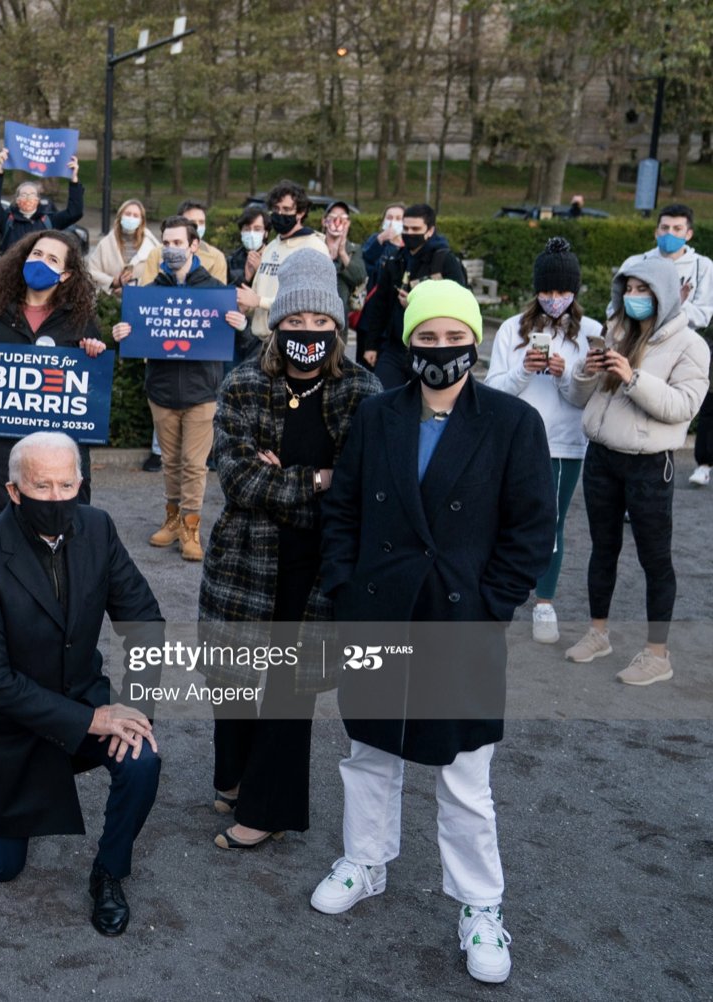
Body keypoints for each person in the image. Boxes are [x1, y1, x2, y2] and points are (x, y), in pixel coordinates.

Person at [312, 279, 555, 986]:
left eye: (454, 337)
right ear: (406, 341)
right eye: (427, 336)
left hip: (461, 618)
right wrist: (343, 588)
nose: (441, 350)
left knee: (465, 772)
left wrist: (492, 605)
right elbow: (345, 511)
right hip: (380, 610)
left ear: (475, 342)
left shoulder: (513, 423)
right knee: (369, 751)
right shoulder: (377, 415)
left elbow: (532, 528)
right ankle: (366, 861)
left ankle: (481, 905)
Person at [0, 432, 164, 936]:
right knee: (1, 864)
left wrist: (135, 709)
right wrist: (92, 719)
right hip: (11, 729)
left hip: (80, 700)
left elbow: (145, 621)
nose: (55, 497)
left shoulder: (99, 529)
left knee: (143, 758)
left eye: (66, 484)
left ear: (81, 482)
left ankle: (108, 873)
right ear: (13, 490)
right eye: (41, 486)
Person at [199, 249, 381, 851]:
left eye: (320, 323)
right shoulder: (246, 381)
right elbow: (238, 480)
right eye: (296, 322)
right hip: (245, 559)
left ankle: (267, 809)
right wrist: (318, 479)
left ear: (337, 326)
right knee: (230, 678)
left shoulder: (362, 390)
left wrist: (302, 481)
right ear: (278, 324)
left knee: (286, 690)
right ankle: (233, 778)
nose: (308, 333)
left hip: (317, 565)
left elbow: (359, 489)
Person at [561, 257, 709, 685]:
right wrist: (585, 371)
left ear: (662, 293)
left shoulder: (691, 345)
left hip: (650, 465)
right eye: (628, 289)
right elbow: (577, 398)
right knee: (601, 549)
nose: (634, 297)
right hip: (602, 457)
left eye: (643, 290)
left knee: (655, 559)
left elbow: (683, 407)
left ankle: (657, 654)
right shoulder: (616, 331)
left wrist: (632, 377)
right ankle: (598, 633)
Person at [111, 215, 247, 561]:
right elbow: (135, 339)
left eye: (177, 243)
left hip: (202, 391)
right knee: (171, 462)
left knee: (194, 464)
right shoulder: (150, 294)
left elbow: (240, 343)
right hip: (161, 390)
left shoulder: (217, 292)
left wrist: (241, 325)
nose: (171, 249)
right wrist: (121, 335)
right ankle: (172, 519)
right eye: (166, 243)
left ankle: (190, 526)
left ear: (193, 245)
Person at [485, 238, 600, 644]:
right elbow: (493, 389)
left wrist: (565, 373)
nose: (554, 299)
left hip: (565, 444)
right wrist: (524, 371)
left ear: (574, 291)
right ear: (536, 290)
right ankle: (498, 593)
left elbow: (585, 397)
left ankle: (545, 603)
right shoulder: (512, 329)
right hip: (514, 440)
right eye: (547, 291)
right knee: (500, 518)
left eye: (562, 291)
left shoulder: (590, 333)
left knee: (551, 525)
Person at [0, 230, 108, 540]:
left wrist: (94, 354)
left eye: (53, 259)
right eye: (37, 254)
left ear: (66, 274)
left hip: (57, 458)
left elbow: (90, 396)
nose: (41, 262)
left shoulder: (79, 321)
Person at [615, 205, 713, 485]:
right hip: (639, 341)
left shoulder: (702, 266)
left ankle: (689, 466)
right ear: (656, 230)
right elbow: (620, 304)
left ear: (689, 233)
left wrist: (670, 307)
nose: (669, 234)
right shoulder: (637, 261)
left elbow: (703, 313)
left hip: (681, 345)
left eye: (677, 229)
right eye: (665, 228)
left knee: (668, 407)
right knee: (631, 398)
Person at [355, 202, 468, 389]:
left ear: (430, 231)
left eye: (415, 229)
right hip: (395, 347)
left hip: (430, 349)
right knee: (382, 396)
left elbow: (460, 303)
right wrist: (371, 345)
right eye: (405, 228)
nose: (409, 233)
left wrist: (416, 304)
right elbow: (380, 305)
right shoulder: (396, 259)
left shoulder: (444, 260)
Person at [238, 180, 327, 339]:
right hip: (264, 340)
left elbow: (307, 300)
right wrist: (247, 304)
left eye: (286, 209)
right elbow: (259, 293)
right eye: (276, 209)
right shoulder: (272, 246)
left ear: (300, 213)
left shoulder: (313, 247)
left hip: (292, 340)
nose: (280, 214)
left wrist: (259, 301)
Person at [0, 149, 84, 253]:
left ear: (38, 200)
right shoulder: (7, 221)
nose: (28, 198)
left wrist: (74, 179)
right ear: (17, 200)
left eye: (32, 194)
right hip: (13, 268)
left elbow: (75, 212)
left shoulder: (49, 221)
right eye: (24, 194)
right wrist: (0, 169)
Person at [134, 199, 229, 285]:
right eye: (192, 222)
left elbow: (218, 295)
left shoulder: (217, 257)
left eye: (201, 222)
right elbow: (147, 293)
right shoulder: (156, 253)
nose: (197, 226)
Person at [225, 207, 269, 365]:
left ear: (266, 233)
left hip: (264, 335)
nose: (251, 234)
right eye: (247, 229)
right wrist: (246, 277)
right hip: (236, 332)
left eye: (257, 229)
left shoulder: (273, 257)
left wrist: (261, 270)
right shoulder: (231, 260)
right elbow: (226, 292)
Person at [85, 200, 157, 295]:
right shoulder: (106, 243)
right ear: (120, 216)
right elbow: (91, 271)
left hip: (142, 299)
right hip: (110, 301)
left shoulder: (151, 244)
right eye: (128, 214)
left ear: (141, 220)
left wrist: (130, 288)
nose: (131, 218)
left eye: (135, 215)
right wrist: (114, 282)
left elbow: (156, 274)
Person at [321, 201, 367, 312]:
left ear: (348, 223)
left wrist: (342, 252)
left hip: (340, 313)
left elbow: (360, 278)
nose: (338, 222)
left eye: (343, 217)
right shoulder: (315, 244)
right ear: (324, 221)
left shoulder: (354, 249)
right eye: (333, 217)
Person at [360, 202, 406, 292]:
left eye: (398, 218)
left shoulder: (408, 245)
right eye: (389, 218)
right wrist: (380, 240)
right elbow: (364, 263)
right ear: (383, 221)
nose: (393, 222)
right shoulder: (375, 239)